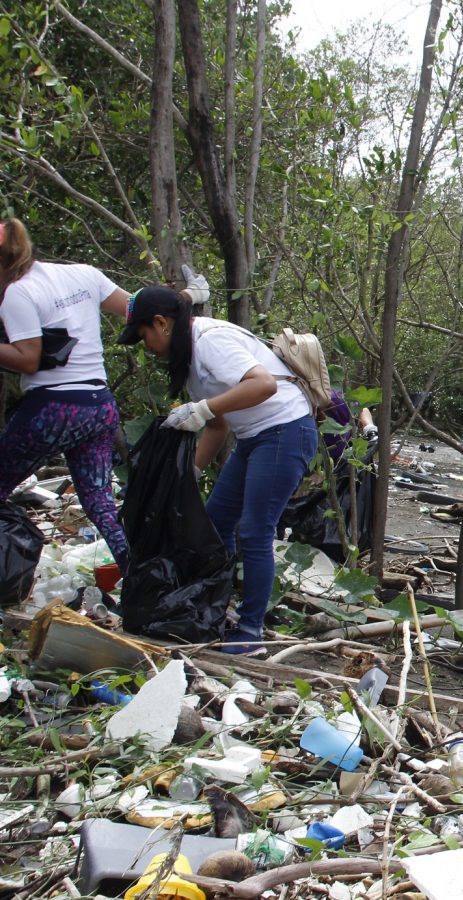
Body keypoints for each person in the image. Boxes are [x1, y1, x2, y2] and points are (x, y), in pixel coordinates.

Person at [117, 286, 317, 654]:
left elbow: (264, 384)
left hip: (285, 432)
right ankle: (216, 609)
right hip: (252, 439)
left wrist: (203, 408)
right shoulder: (189, 356)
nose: (145, 345)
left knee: (255, 532)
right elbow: (218, 426)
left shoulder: (209, 340)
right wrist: (189, 472)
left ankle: (250, 630)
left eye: (143, 335)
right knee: (214, 523)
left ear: (161, 323)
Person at [0, 217, 150, 574]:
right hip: (98, 407)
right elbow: (135, 309)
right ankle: (140, 577)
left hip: (53, 409)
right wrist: (184, 299)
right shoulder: (83, 274)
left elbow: (29, 360)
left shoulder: (17, 293)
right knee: (99, 502)